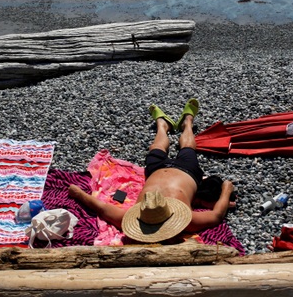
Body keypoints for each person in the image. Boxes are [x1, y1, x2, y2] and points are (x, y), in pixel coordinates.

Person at [68, 98, 236, 243]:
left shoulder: (134, 218)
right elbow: (216, 215)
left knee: (156, 147)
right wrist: (226, 189)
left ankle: (162, 126)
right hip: (187, 172)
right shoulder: (187, 221)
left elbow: (102, 208)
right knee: (187, 148)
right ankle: (188, 123)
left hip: (156, 171)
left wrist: (79, 194)